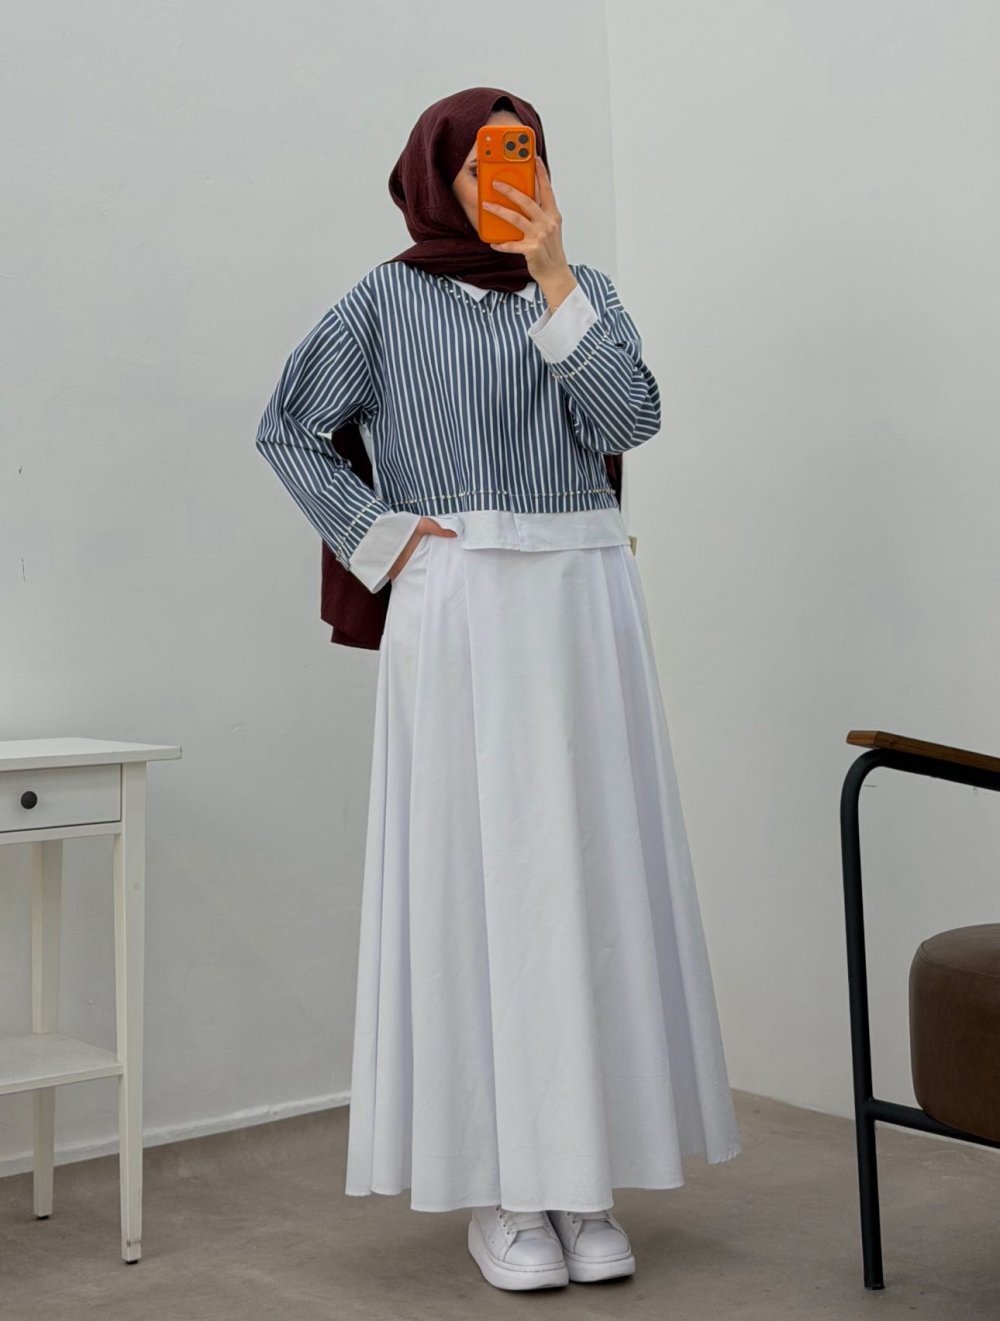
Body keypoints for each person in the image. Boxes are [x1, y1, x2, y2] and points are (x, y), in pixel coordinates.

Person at [254, 85, 741, 1294]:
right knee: (482, 878)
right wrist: (387, 539)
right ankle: (505, 1190)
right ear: (438, 177)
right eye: (482, 163)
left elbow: (631, 417)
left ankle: (584, 1182)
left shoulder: (582, 290)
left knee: (590, 872)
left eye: (523, 157)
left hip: (585, 599)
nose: (505, 180)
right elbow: (289, 428)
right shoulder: (384, 300)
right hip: (463, 605)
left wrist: (556, 275)